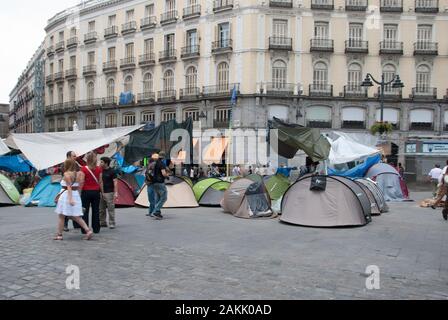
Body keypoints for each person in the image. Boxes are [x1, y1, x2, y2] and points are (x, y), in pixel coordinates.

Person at [54, 159, 93, 241]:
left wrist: (70, 199)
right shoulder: (79, 174)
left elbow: (68, 187)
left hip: (67, 195)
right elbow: (79, 186)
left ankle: (59, 235)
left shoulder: (66, 174)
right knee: (77, 216)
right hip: (75, 194)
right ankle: (88, 230)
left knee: (61, 216)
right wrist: (76, 196)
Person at [78, 152, 102, 234]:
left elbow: (81, 181)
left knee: (85, 210)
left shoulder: (83, 169)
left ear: (87, 159)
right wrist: (102, 192)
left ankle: (84, 229)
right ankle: (96, 228)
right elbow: (100, 181)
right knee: (96, 210)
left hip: (86, 192)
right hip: (96, 192)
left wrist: (79, 192)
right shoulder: (99, 169)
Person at [99, 157, 118, 229]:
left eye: (101, 162)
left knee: (110, 208)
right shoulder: (100, 171)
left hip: (109, 192)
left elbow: (115, 182)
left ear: (106, 163)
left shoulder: (112, 171)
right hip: (101, 192)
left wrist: (116, 193)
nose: (100, 163)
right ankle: (102, 222)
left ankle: (112, 223)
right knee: (101, 208)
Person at [151, 151, 169, 220]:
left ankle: (158, 213)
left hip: (154, 182)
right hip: (160, 182)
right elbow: (163, 173)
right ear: (164, 157)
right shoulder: (162, 163)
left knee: (157, 198)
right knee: (164, 197)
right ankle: (155, 210)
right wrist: (167, 176)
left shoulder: (155, 163)